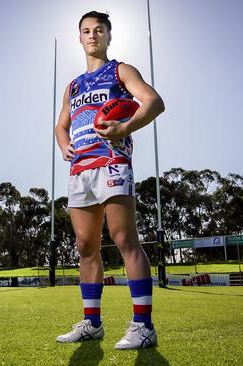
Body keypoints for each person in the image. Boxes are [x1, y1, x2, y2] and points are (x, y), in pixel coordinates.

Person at [54, 11, 165, 350]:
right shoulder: (73, 85)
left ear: (108, 35)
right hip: (80, 169)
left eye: (98, 30)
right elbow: (61, 125)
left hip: (112, 161)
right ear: (80, 38)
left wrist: (125, 128)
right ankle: (92, 323)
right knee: (85, 247)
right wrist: (64, 145)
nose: (92, 36)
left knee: (124, 239)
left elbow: (154, 102)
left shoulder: (121, 70)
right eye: (86, 31)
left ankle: (143, 326)